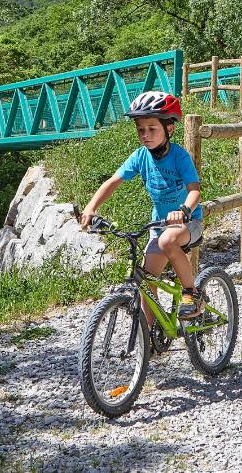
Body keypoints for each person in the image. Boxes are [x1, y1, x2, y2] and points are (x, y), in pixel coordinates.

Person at [80, 91, 205, 319]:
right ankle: (150, 335)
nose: (145, 135)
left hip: (189, 223)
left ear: (169, 129)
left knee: (169, 240)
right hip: (158, 225)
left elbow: (194, 190)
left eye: (152, 129)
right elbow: (113, 182)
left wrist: (184, 210)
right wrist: (91, 207)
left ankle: (191, 293)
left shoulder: (179, 156)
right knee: (146, 283)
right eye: (140, 130)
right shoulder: (140, 156)